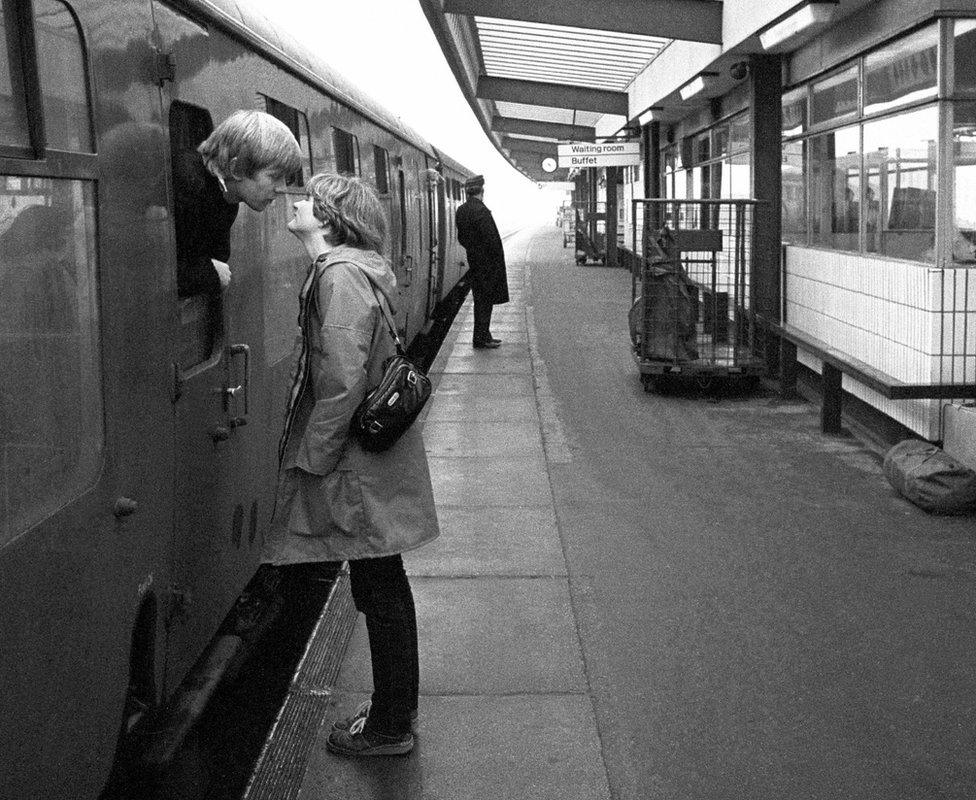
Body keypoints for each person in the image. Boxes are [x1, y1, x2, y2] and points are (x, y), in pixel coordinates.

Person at [263, 172, 439, 758]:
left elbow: (340, 381)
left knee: (380, 585)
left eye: (311, 200)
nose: (298, 202)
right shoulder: (354, 271)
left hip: (356, 463)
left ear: (333, 219)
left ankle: (390, 726)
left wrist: (311, 462)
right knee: (381, 581)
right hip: (369, 458)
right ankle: (394, 711)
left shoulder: (339, 277)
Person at [173, 109, 301, 297]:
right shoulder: (185, 184)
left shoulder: (228, 198)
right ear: (236, 168)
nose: (281, 189)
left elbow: (218, 261)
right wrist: (206, 274)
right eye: (274, 177)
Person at [455, 174, 510, 348]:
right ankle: (481, 338)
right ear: (482, 191)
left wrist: (474, 250)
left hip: (475, 261)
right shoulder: (481, 211)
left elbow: (462, 238)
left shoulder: (462, 210)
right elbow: (491, 239)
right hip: (487, 264)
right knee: (485, 301)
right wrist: (492, 258)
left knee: (481, 299)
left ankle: (485, 334)